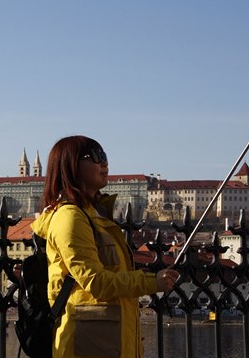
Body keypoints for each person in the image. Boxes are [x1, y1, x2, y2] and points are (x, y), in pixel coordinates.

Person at [30, 135, 179, 358]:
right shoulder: (70, 217)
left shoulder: (94, 215)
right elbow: (95, 282)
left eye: (105, 156)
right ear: (72, 166)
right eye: (96, 157)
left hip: (106, 339)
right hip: (87, 343)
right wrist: (152, 282)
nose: (104, 163)